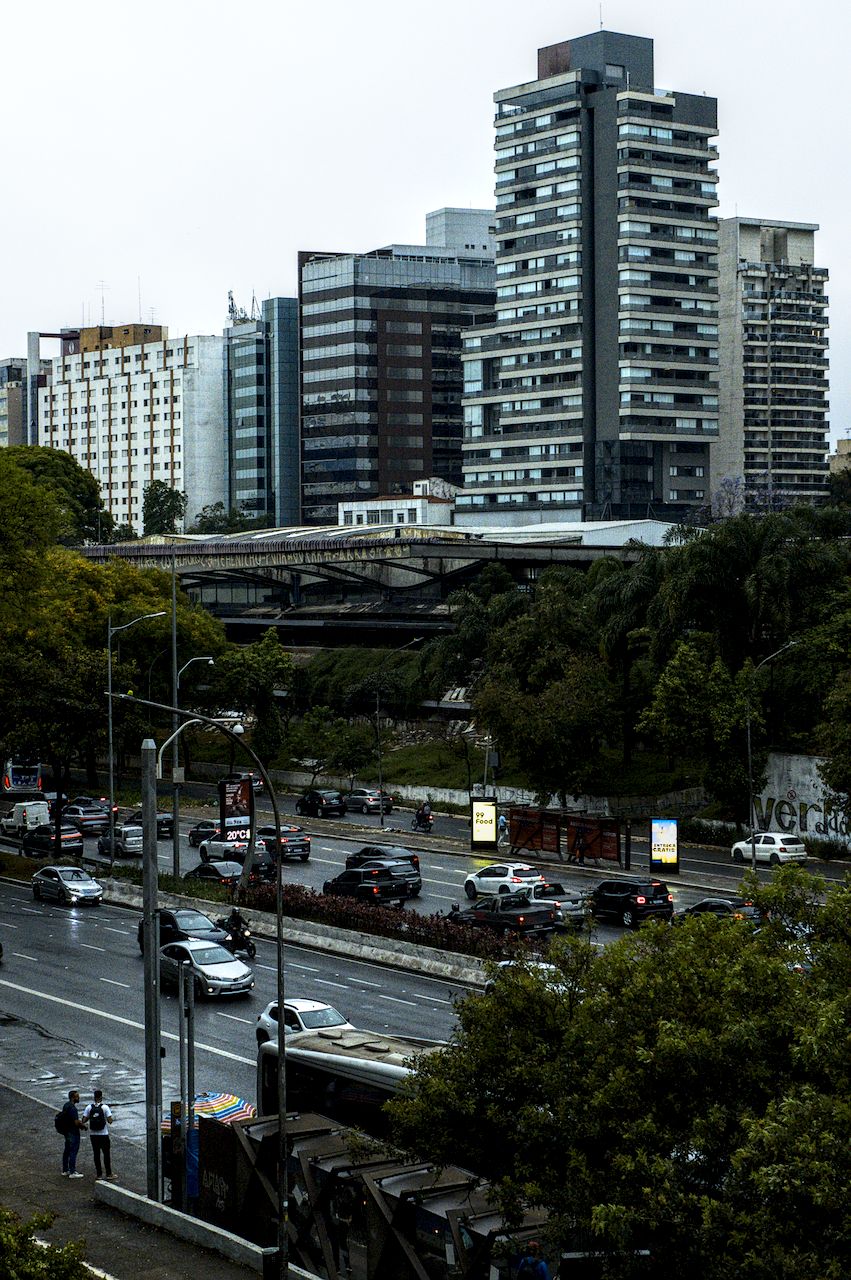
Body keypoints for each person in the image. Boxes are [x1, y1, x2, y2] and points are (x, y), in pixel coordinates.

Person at [82, 1088, 117, 1180]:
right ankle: (109, 1174)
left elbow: (84, 1120)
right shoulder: (105, 1107)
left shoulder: (89, 1107)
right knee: (106, 1154)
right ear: (101, 1097)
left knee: (96, 1154)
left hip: (93, 1135)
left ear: (94, 1097)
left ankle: (99, 1174)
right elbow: (110, 1121)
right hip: (103, 1134)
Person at [60, 1088, 85, 1179]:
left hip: (66, 1131)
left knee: (66, 1151)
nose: (79, 1098)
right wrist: (83, 1126)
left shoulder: (66, 1105)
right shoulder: (73, 1108)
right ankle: (72, 1171)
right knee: (73, 1151)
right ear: (73, 1098)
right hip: (73, 1132)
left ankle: (65, 1170)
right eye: (77, 1096)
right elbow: (76, 1122)